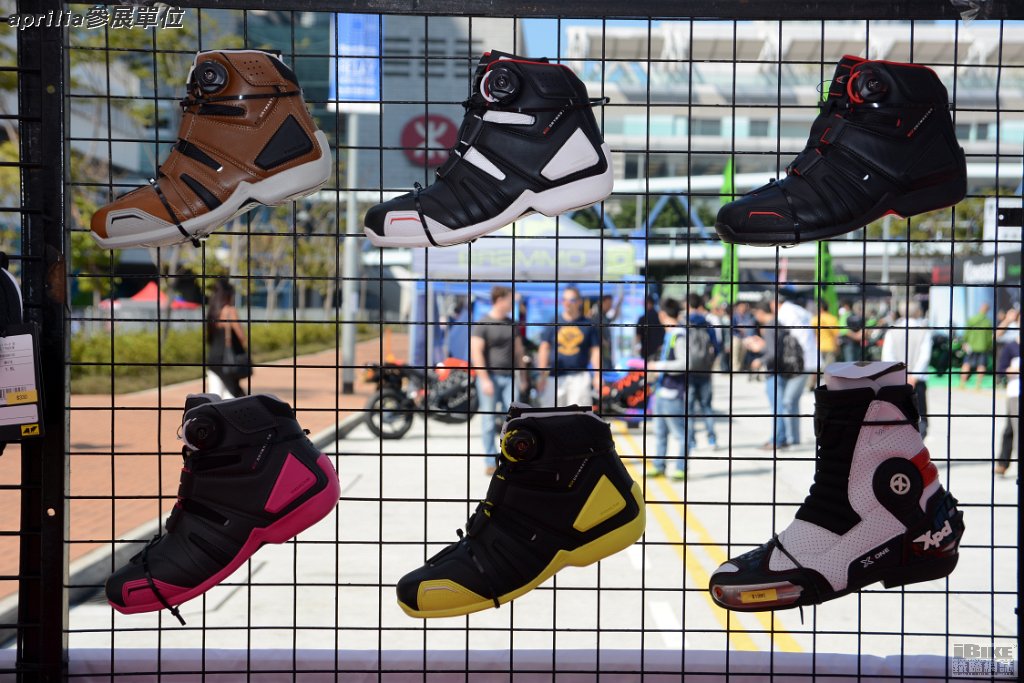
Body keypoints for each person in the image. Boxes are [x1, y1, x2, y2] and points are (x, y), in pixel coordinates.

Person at [470, 286, 525, 473]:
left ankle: (511, 459)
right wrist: (484, 379)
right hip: (490, 378)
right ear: (499, 300)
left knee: (513, 420)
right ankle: (490, 462)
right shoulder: (483, 323)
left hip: (509, 378)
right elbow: (476, 352)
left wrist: (523, 376)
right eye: (509, 300)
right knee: (488, 420)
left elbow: (519, 352)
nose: (512, 304)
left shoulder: (511, 324)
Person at [745, 299, 806, 449]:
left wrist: (759, 359)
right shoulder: (779, 323)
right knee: (780, 406)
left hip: (774, 372)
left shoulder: (770, 327)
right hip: (784, 370)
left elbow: (772, 354)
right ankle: (780, 437)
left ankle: (778, 439)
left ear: (760, 312)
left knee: (776, 408)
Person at [536, 286, 601, 407]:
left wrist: (598, 376)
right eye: (564, 299)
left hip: (579, 377)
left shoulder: (588, 324)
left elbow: (595, 351)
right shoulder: (553, 322)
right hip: (555, 377)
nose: (567, 303)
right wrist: (542, 375)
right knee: (551, 414)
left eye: (571, 300)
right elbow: (544, 348)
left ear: (579, 302)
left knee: (578, 415)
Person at [647, 298, 689, 480]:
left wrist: (658, 366)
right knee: (660, 433)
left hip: (673, 393)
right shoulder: (671, 334)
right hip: (662, 391)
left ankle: (681, 468)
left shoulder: (678, 335)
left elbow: (684, 363)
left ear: (662, 314)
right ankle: (659, 466)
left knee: (680, 434)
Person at [881, 302, 933, 438]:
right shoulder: (924, 331)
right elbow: (924, 356)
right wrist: (913, 376)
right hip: (917, 381)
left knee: (897, 417)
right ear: (918, 312)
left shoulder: (892, 331)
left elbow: (887, 357)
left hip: (897, 381)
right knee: (920, 418)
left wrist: (901, 375)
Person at [686, 293, 720, 450]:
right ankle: (712, 439)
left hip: (689, 371)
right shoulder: (708, 324)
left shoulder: (684, 323)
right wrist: (710, 362)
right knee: (707, 406)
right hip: (705, 371)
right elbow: (717, 347)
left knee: (689, 409)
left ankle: (691, 441)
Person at [206, 279, 249, 399]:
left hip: (213, 359)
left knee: (214, 396)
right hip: (227, 360)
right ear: (228, 295)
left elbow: (209, 338)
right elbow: (241, 337)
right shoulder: (230, 311)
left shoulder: (212, 312)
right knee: (232, 396)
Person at [995, 331, 1019, 476]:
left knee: (1011, 428)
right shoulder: (1011, 347)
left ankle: (1003, 463)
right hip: (1015, 392)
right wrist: (1013, 370)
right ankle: (1003, 463)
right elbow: (1001, 369)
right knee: (1014, 428)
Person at [960, 302, 994, 389]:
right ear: (987, 310)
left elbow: (966, 332)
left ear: (980, 308)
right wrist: (989, 346)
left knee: (966, 364)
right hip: (983, 347)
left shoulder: (972, 319)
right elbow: (989, 337)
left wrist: (964, 342)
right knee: (981, 365)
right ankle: (978, 385)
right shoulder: (988, 322)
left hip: (971, 346)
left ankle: (962, 384)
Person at [590, 292, 622, 370]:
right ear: (602, 303)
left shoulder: (604, 316)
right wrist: (604, 342)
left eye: (611, 304)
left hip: (606, 351)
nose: (610, 307)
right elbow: (595, 333)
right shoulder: (596, 316)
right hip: (601, 352)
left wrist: (618, 305)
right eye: (608, 304)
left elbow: (613, 317)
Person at [811, 300, 840, 370]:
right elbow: (836, 335)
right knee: (829, 370)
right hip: (830, 347)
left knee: (817, 369)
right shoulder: (832, 319)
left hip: (817, 347)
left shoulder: (814, 319)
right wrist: (837, 347)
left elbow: (812, 334)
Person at [636, 295, 665, 361]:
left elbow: (638, 335)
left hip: (646, 351)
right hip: (659, 351)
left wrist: (638, 346)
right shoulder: (660, 317)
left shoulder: (642, 318)